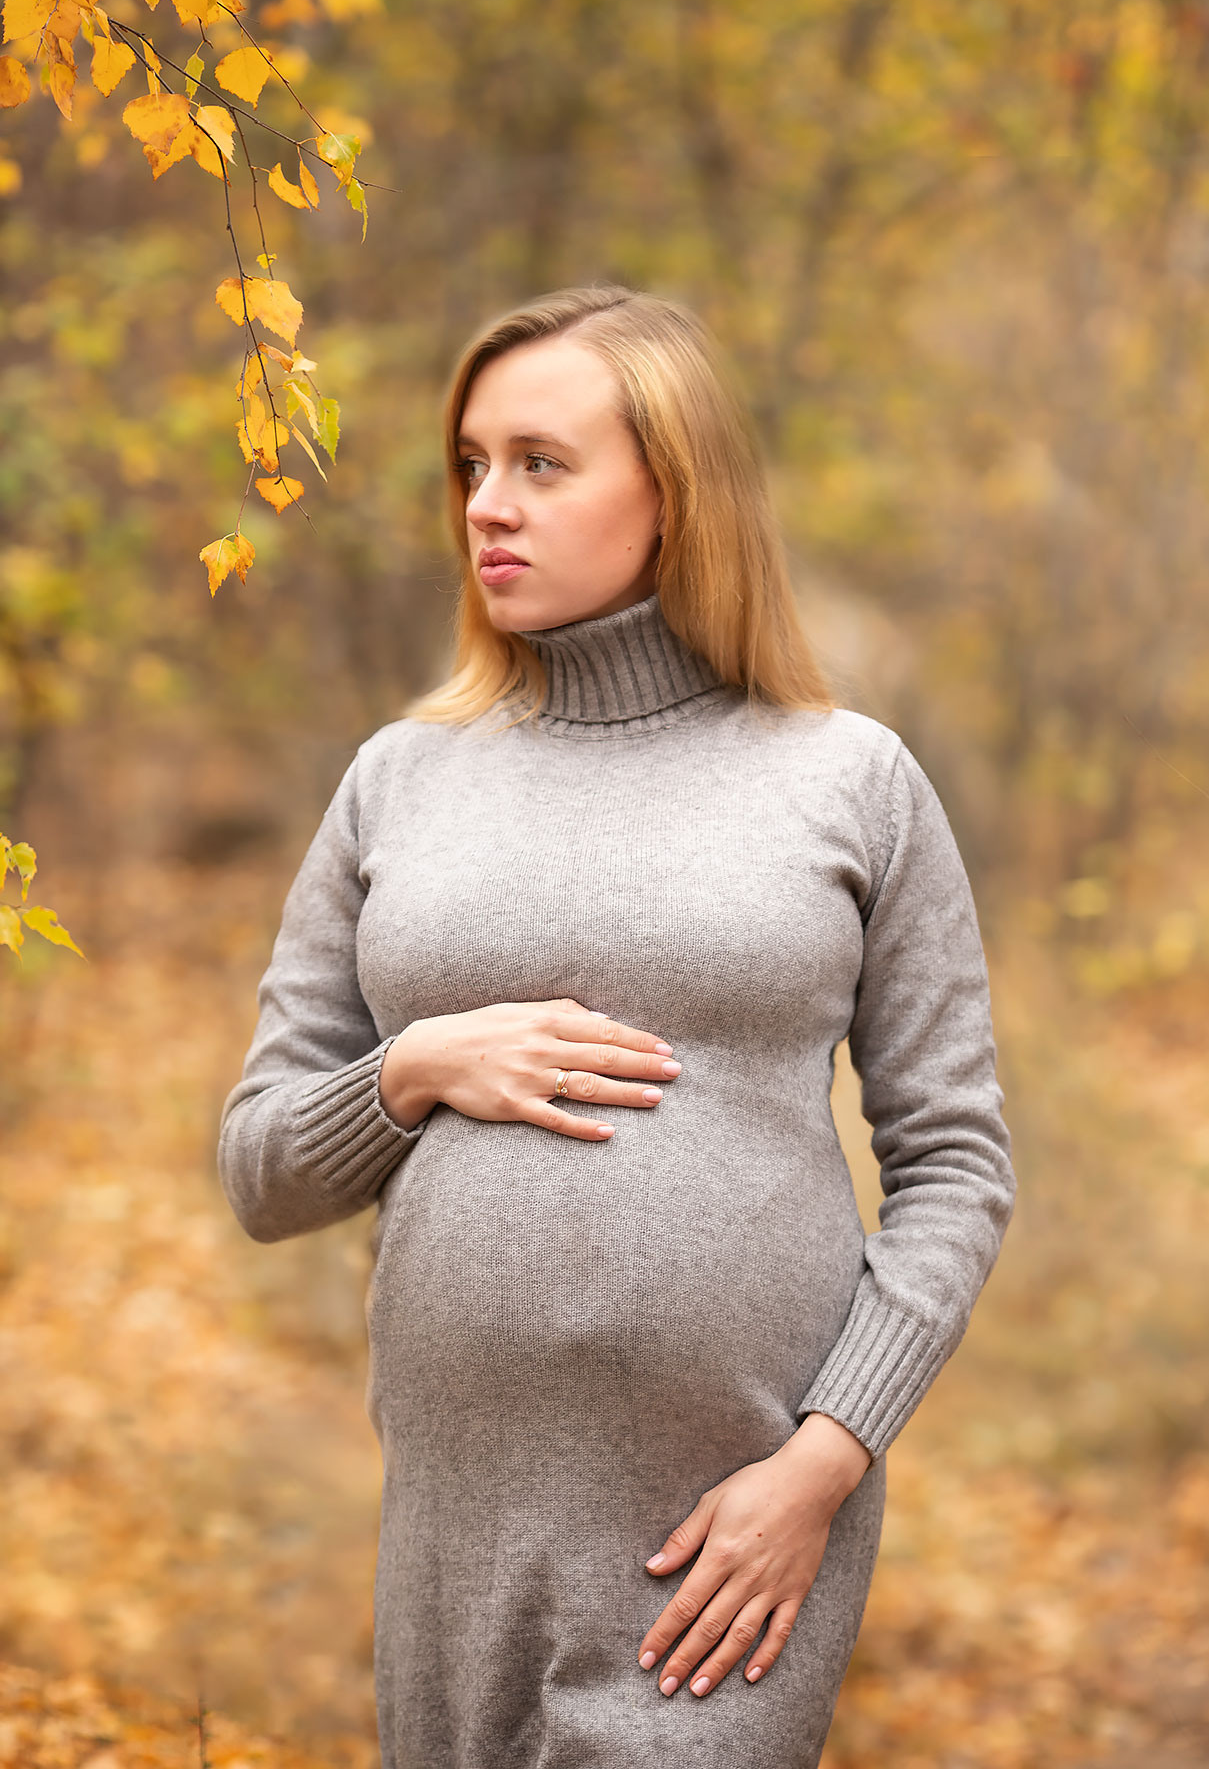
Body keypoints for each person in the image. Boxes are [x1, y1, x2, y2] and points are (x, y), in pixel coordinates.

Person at [217, 282, 1014, 1769]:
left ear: (674, 488)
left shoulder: (846, 779)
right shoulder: (402, 780)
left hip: (728, 1540)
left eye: (540, 461)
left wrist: (822, 1465)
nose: (486, 506)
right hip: (458, 1522)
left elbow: (956, 1167)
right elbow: (261, 1169)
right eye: (468, 465)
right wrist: (410, 1070)